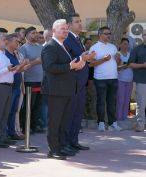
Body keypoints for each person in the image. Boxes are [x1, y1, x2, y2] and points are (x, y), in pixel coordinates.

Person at [41, 19, 86, 159]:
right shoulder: (50, 46)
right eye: (62, 29)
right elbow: (49, 67)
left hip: (66, 90)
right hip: (55, 91)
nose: (65, 31)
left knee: (64, 121)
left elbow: (67, 65)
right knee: (55, 121)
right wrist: (70, 67)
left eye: (67, 29)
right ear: (54, 30)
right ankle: (53, 150)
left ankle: (61, 146)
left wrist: (77, 65)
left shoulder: (63, 46)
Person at [0, 32, 22, 148]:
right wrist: (7, 69)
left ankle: (2, 136)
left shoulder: (3, 55)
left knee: (5, 113)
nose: (5, 41)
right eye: (3, 39)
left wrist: (17, 68)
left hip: (7, 86)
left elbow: (8, 71)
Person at [62, 13, 92, 152]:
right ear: (68, 25)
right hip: (72, 83)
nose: (80, 24)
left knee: (78, 113)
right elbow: (68, 60)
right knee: (70, 114)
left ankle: (74, 141)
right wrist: (83, 56)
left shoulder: (78, 39)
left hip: (80, 83)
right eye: (77, 22)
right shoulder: (67, 39)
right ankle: (66, 143)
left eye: (80, 21)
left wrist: (87, 57)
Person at [89, 26, 121, 131]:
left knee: (112, 102)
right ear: (100, 35)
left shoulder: (113, 47)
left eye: (109, 33)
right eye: (106, 33)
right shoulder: (94, 47)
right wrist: (103, 59)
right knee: (101, 102)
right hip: (100, 79)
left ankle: (113, 123)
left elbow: (118, 63)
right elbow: (91, 64)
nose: (108, 35)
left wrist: (118, 59)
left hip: (113, 78)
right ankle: (101, 123)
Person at [19, 26, 45, 133]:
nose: (36, 35)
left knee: (38, 106)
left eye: (36, 33)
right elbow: (23, 63)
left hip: (41, 80)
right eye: (33, 33)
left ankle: (34, 125)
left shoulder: (41, 47)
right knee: (29, 105)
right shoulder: (23, 48)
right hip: (29, 81)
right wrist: (36, 62)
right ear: (27, 35)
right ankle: (25, 127)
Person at [4, 33, 29, 140]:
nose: (18, 44)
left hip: (17, 86)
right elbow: (11, 70)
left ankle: (12, 132)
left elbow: (18, 70)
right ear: (8, 42)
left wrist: (24, 67)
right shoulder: (5, 54)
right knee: (7, 111)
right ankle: (5, 133)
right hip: (9, 86)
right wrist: (22, 65)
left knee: (14, 110)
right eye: (16, 42)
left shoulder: (15, 54)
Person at [128, 39, 146, 132]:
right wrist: (143, 65)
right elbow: (130, 64)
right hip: (141, 80)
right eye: (145, 34)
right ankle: (140, 125)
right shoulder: (137, 49)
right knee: (141, 104)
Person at [116, 38, 133, 122]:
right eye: (124, 44)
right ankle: (119, 118)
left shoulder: (131, 54)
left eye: (127, 44)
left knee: (127, 100)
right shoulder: (118, 54)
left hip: (130, 80)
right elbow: (117, 68)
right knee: (120, 100)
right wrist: (126, 65)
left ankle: (125, 117)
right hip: (121, 80)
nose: (126, 46)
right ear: (120, 44)